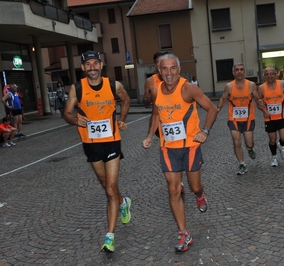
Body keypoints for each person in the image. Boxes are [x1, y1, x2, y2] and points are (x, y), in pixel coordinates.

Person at [142, 54, 218, 252]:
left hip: (191, 146)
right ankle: (184, 233)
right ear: (159, 70)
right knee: (174, 189)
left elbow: (212, 108)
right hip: (168, 148)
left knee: (194, 186)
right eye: (164, 69)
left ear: (179, 69)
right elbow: (156, 115)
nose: (168, 73)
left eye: (172, 68)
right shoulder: (156, 91)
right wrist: (150, 135)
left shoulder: (188, 88)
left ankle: (200, 196)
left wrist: (205, 131)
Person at [63, 50, 131, 253]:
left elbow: (126, 100)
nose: (92, 67)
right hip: (91, 144)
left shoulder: (113, 85)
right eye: (88, 64)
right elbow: (66, 113)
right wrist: (75, 120)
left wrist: (122, 119)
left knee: (110, 189)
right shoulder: (77, 88)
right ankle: (123, 202)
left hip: (112, 142)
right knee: (105, 184)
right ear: (83, 68)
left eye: (95, 63)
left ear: (101, 65)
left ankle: (109, 236)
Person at [143, 50, 185, 193]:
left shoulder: (177, 79)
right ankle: (176, 180)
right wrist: (148, 99)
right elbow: (145, 99)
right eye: (160, 63)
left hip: (176, 121)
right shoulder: (150, 81)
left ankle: (179, 179)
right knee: (169, 147)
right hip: (160, 122)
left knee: (177, 147)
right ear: (156, 66)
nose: (167, 69)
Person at [216, 63, 260, 175]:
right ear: (233, 73)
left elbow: (257, 98)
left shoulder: (251, 85)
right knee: (236, 142)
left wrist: (263, 106)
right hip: (234, 118)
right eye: (237, 70)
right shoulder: (229, 86)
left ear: (244, 72)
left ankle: (250, 149)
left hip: (248, 118)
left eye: (241, 70)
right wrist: (217, 109)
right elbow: (223, 98)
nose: (239, 72)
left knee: (249, 143)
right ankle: (242, 164)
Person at [257, 67, 284, 167]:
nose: (270, 76)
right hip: (269, 118)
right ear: (264, 76)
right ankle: (274, 157)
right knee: (272, 139)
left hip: (282, 115)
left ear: (276, 74)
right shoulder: (261, 88)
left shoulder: (282, 84)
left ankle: (280, 145)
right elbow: (258, 103)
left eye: (272, 74)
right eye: (267, 74)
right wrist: (263, 110)